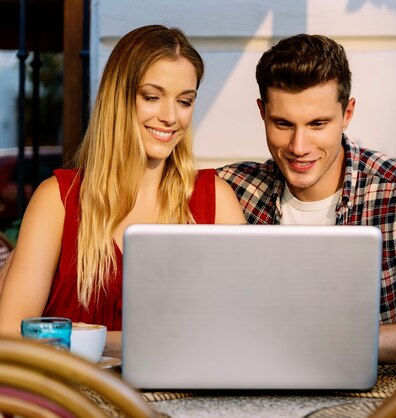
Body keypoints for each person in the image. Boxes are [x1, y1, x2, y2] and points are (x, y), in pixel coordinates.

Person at [217, 34, 396, 363]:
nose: (299, 146)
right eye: (283, 124)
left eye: (318, 124)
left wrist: (345, 341)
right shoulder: (231, 190)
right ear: (262, 112)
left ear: (347, 114)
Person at [0, 25, 246, 344]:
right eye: (152, 97)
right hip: (71, 393)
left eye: (185, 101)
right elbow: (9, 334)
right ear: (118, 98)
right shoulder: (58, 199)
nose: (171, 116)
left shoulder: (214, 199)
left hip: (182, 395)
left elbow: (243, 326)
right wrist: (148, 342)